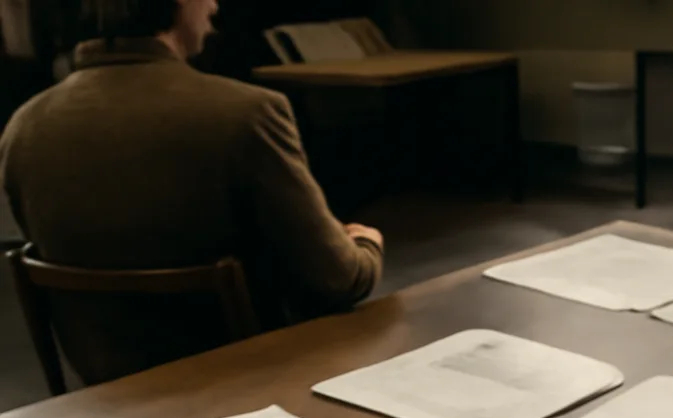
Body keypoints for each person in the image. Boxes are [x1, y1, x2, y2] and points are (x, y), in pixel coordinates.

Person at [0, 0, 385, 384]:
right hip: (253, 387)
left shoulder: (23, 127)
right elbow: (337, 280)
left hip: (105, 400)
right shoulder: (247, 113)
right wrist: (367, 245)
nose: (215, 5)